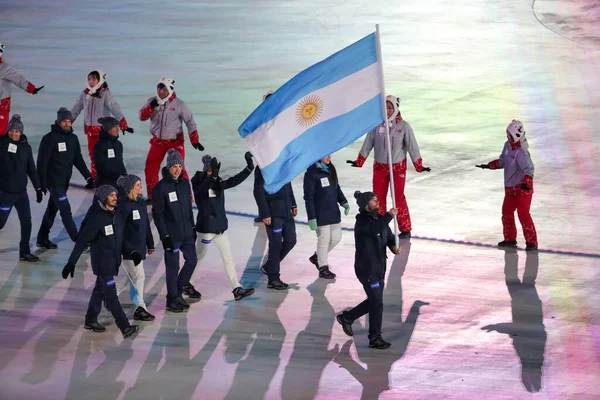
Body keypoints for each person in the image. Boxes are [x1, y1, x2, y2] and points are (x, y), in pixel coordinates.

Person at [61, 185, 139, 339]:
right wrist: (71, 262)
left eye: (115, 195)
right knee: (111, 296)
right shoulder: (97, 219)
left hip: (113, 262)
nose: (115, 198)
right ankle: (125, 327)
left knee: (99, 290)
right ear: (104, 199)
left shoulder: (115, 215)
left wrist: (132, 251)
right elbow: (82, 242)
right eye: (111, 196)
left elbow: (119, 239)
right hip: (103, 264)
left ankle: (90, 320)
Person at [347, 95, 430, 239]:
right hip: (380, 167)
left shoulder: (404, 126)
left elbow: (412, 147)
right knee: (378, 198)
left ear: (396, 108)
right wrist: (359, 160)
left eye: (391, 107)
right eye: (385, 107)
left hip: (397, 168)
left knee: (398, 197)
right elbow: (368, 144)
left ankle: (405, 228)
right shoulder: (376, 125)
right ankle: (379, 225)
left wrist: (419, 165)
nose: (388, 110)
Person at [336, 191, 401, 349]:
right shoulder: (363, 222)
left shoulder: (379, 219)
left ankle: (348, 318)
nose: (377, 201)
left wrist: (393, 246)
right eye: (373, 200)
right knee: (377, 302)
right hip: (367, 269)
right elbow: (374, 230)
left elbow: (387, 235)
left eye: (376, 199)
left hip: (379, 268)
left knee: (375, 301)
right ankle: (374, 337)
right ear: (366, 206)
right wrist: (389, 216)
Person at [188, 153, 255, 301]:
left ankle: (236, 288)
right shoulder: (197, 182)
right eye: (210, 171)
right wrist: (212, 177)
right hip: (206, 230)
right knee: (199, 258)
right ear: (206, 171)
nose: (213, 173)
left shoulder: (217, 181)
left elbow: (233, 181)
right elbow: (202, 190)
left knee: (228, 258)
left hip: (220, 229)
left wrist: (249, 167)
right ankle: (187, 283)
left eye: (214, 171)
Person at [139, 77, 204, 201]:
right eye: (159, 88)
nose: (161, 92)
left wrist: (194, 139)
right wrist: (150, 107)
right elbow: (142, 117)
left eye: (164, 89)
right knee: (150, 168)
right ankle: (154, 196)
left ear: (169, 90)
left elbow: (190, 121)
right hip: (158, 142)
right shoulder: (152, 101)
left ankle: (187, 197)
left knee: (179, 169)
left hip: (175, 142)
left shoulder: (179, 104)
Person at [476, 120, 538, 251]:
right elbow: (502, 161)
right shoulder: (507, 146)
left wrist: (526, 182)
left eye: (509, 135)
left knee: (523, 214)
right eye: (507, 134)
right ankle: (510, 239)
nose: (507, 137)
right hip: (510, 188)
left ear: (516, 135)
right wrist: (490, 165)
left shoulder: (521, 152)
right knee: (506, 212)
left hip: (522, 189)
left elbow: (529, 169)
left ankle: (531, 242)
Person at [36, 107, 93, 249]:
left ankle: (42, 238)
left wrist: (88, 177)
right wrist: (41, 184)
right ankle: (78, 239)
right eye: (64, 121)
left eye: (69, 121)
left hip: (64, 182)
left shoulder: (73, 139)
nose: (67, 124)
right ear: (58, 122)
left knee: (52, 209)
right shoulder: (49, 139)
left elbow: (78, 159)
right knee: (65, 210)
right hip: (54, 183)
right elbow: (41, 163)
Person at [152, 149, 198, 312]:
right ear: (168, 168)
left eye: (180, 166)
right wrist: (164, 236)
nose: (177, 169)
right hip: (172, 235)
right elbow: (158, 215)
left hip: (187, 233)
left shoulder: (185, 183)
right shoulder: (161, 188)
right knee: (173, 268)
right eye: (174, 166)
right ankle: (172, 300)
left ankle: (177, 293)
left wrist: (193, 227)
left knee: (192, 261)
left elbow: (188, 208)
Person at [71, 69, 133, 180]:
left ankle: (113, 177)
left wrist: (123, 123)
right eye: (89, 79)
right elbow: (76, 108)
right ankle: (96, 179)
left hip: (103, 131)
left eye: (94, 79)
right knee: (93, 156)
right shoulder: (85, 94)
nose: (91, 81)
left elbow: (115, 108)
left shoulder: (105, 94)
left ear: (100, 80)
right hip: (90, 131)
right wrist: (68, 122)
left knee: (105, 156)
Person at [0, 115, 44, 261]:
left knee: (27, 222)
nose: (14, 133)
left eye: (17, 131)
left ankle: (24, 252)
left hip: (21, 194)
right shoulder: (1, 144)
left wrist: (38, 188)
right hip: (5, 193)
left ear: (21, 132)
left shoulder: (26, 147)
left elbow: (31, 168)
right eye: (11, 130)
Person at [115, 174, 155, 321]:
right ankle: (140, 307)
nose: (141, 187)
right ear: (130, 188)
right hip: (129, 250)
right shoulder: (123, 206)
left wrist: (150, 243)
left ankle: (110, 297)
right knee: (139, 276)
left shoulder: (141, 202)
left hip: (139, 247)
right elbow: (119, 232)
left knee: (132, 276)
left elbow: (146, 226)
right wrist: (125, 250)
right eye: (138, 185)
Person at [303, 155, 349, 279]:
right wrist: (311, 217)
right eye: (326, 154)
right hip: (320, 214)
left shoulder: (330, 169)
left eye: (330, 154)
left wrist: (343, 202)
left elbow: (336, 188)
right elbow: (308, 197)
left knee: (336, 238)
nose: (329, 157)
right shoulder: (311, 174)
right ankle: (323, 267)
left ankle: (316, 257)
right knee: (324, 239)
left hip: (333, 212)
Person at [254, 165, 297, 290]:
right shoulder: (264, 165)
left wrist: (293, 203)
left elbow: (288, 184)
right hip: (273, 215)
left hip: (287, 212)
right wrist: (265, 213)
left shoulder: (282, 162)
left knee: (291, 241)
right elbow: (258, 191)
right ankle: (273, 279)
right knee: (276, 244)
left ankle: (269, 267)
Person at [0, 43, 43, 134]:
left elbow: (18, 79)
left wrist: (31, 89)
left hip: (2, 105)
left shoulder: (4, 68)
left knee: (1, 133)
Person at [252, 90, 273, 223]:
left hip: (272, 156)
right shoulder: (261, 117)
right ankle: (263, 212)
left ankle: (268, 211)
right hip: (263, 156)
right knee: (260, 184)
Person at [93, 117, 126, 188]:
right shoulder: (99, 146)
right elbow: (100, 167)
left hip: (117, 183)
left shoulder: (118, 144)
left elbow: (120, 162)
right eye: (115, 127)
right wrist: (117, 176)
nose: (118, 129)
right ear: (108, 129)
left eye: (118, 126)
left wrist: (125, 176)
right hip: (104, 185)